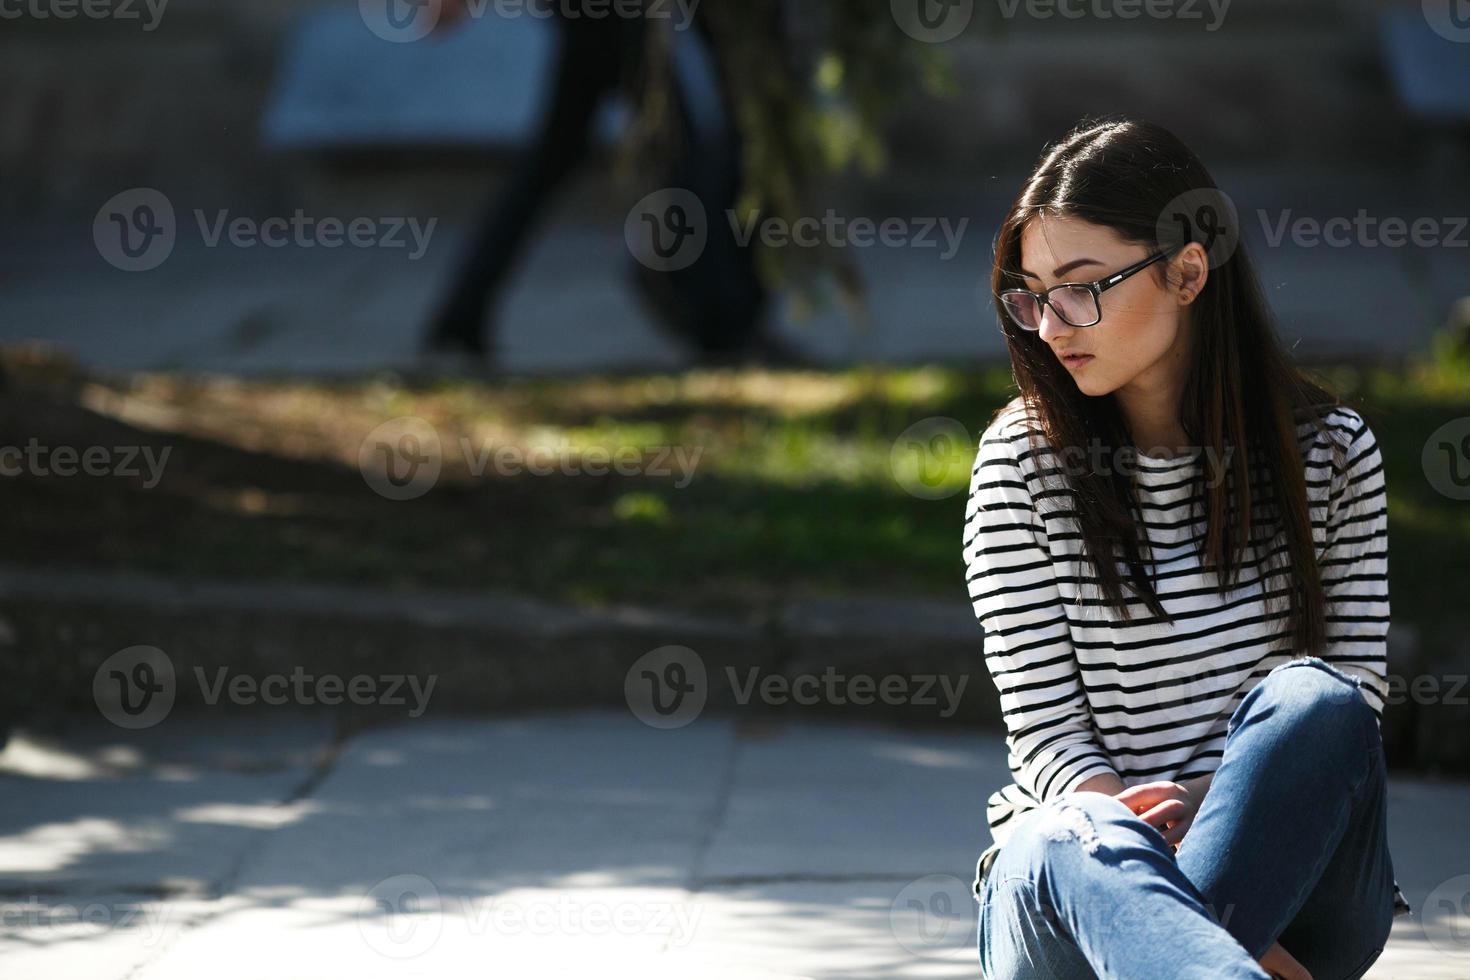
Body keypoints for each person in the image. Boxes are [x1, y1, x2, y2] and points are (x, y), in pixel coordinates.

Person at [964, 116, 1408, 980]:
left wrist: (1198, 837)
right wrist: (1152, 880)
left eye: (1082, 286)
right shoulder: (1021, 464)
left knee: (1319, 704)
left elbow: (1350, 711)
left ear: (1187, 271)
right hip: (1074, 894)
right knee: (1067, 835)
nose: (1051, 326)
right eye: (1030, 293)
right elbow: (1051, 742)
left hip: (1298, 885)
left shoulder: (1332, 453)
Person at [422, 0, 804, 368]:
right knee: (681, 150)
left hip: (597, 17)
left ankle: (462, 312)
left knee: (560, 156)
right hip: (616, 17)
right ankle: (714, 313)